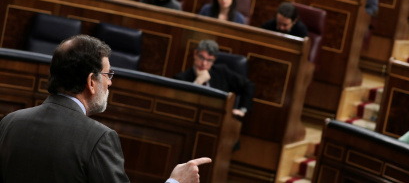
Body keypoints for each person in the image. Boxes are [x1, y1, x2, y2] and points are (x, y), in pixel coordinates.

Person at [0, 34, 211, 182]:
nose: (110, 83)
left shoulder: (10, 122)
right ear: (91, 82)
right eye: (107, 75)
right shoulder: (98, 138)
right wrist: (176, 182)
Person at [174, 39, 254, 118]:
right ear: (195, 54)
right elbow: (180, 106)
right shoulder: (181, 79)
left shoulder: (221, 72)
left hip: (218, 118)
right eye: (201, 57)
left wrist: (242, 110)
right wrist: (197, 83)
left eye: (209, 60)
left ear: (214, 61)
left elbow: (248, 85)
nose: (204, 63)